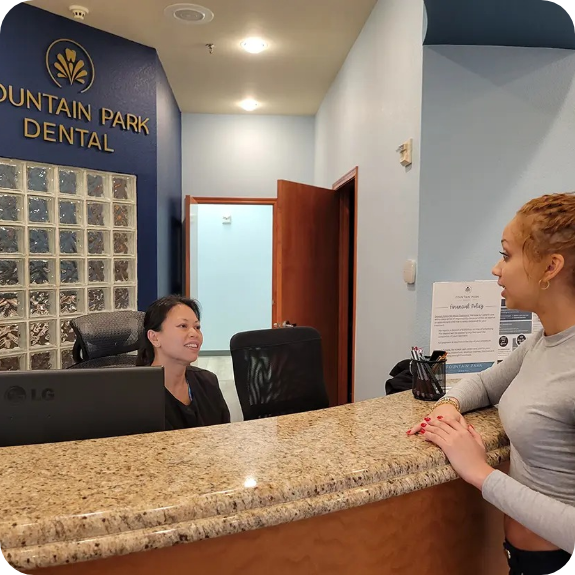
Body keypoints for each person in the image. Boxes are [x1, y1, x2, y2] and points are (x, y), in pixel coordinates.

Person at [409, 193, 575, 574]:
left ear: (550, 267)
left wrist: (479, 472)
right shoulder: (541, 341)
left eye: (506, 255)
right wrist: (446, 408)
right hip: (525, 559)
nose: (496, 270)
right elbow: (484, 385)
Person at [137, 295, 230, 429]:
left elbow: (224, 436)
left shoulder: (207, 382)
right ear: (154, 337)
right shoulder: (135, 395)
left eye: (197, 327)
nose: (194, 333)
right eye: (183, 326)